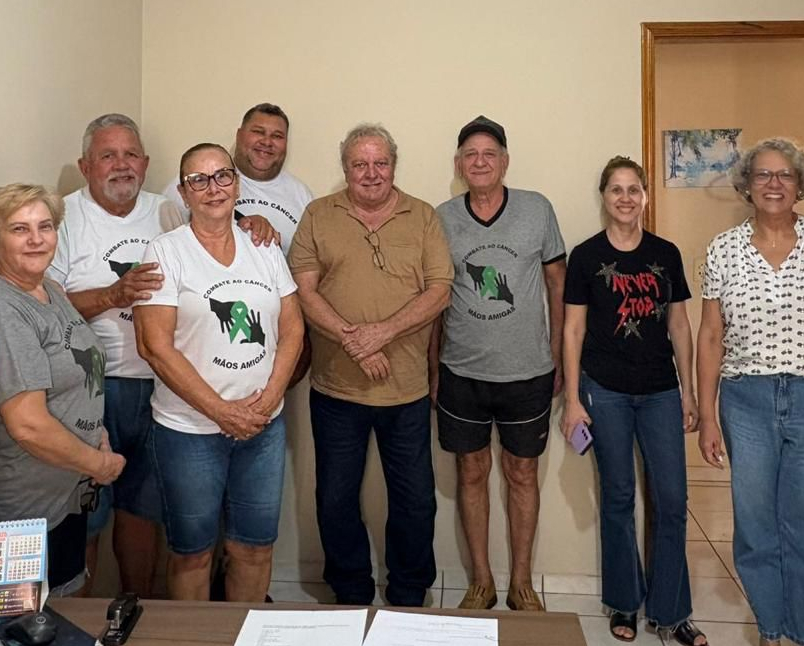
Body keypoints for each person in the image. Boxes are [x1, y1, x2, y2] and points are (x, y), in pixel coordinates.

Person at [51, 113, 275, 596]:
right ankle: (77, 616)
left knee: (142, 512)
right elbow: (43, 305)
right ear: (85, 165)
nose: (122, 165)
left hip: (161, 390)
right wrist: (112, 295)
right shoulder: (63, 217)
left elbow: (219, 229)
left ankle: (138, 609)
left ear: (147, 163)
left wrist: (253, 223)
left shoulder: (166, 209)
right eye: (108, 155)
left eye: (131, 154)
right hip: (90, 389)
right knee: (86, 517)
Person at [289, 123, 453, 607]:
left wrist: (382, 332)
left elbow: (440, 291)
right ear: (345, 169)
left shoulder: (422, 216)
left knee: (415, 499)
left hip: (407, 390)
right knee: (335, 498)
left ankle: (408, 591)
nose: (371, 173)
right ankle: (351, 590)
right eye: (359, 164)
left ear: (394, 166)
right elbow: (303, 290)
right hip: (336, 390)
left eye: (380, 163)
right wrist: (354, 339)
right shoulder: (319, 215)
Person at [696, 139, 804, 646]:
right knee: (756, 527)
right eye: (763, 175)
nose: (774, 184)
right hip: (747, 400)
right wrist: (708, 415)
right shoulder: (723, 248)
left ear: (801, 184)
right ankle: (770, 627)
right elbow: (711, 336)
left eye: (785, 175)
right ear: (747, 185)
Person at [134, 143, 303, 602]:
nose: (213, 188)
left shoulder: (263, 247)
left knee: (254, 548)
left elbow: (293, 328)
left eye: (222, 176)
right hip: (189, 431)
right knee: (192, 554)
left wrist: (269, 399)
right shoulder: (165, 252)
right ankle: (196, 634)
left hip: (262, 427)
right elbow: (154, 346)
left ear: (237, 183)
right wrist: (221, 411)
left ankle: (243, 631)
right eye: (199, 180)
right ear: (183, 193)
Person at [561, 156, 705, 646]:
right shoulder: (585, 256)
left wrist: (689, 391)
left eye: (633, 189)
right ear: (604, 197)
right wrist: (572, 400)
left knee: (672, 500)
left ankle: (671, 611)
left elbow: (680, 325)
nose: (625, 198)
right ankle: (623, 601)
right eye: (616, 189)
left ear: (645, 196)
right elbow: (573, 329)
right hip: (604, 391)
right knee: (618, 496)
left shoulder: (665, 253)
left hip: (661, 391)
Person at [430, 115, 565, 612]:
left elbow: (558, 284)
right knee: (470, 473)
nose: (480, 162)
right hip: (461, 372)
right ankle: (481, 582)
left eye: (490, 154)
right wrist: (433, 369)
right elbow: (434, 298)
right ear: (458, 164)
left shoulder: (537, 209)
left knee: (522, 474)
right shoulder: (441, 218)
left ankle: (522, 582)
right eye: (471, 154)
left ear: (505, 162)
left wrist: (559, 357)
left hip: (527, 372)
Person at [0, 184, 124, 595]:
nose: (36, 239)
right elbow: (28, 425)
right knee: (33, 617)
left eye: (45, 226)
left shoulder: (51, 290)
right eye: (19, 229)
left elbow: (77, 374)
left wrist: (95, 433)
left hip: (67, 491)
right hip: (27, 506)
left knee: (67, 601)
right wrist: (98, 463)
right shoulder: (4, 308)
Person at [163, 103, 313, 254]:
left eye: (277, 136)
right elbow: (166, 244)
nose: (267, 142)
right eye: (258, 132)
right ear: (239, 135)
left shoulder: (301, 195)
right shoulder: (195, 182)